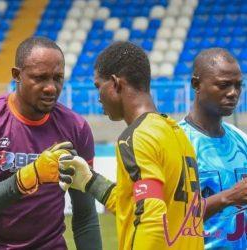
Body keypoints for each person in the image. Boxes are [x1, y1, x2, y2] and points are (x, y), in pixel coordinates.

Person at [0, 36, 102, 249]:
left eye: (57, 78)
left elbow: (85, 217)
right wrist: (29, 176)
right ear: (17, 75)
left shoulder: (76, 128)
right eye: (40, 78)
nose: (51, 87)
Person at [58, 41, 204, 249]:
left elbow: (150, 214)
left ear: (116, 83)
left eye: (99, 86)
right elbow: (137, 203)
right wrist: (90, 181)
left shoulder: (136, 136)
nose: (98, 98)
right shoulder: (176, 133)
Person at [179, 48, 247, 249]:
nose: (233, 93)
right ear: (196, 84)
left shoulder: (241, 140)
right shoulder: (177, 141)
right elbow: (169, 219)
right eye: (224, 85)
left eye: (238, 86)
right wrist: (227, 197)